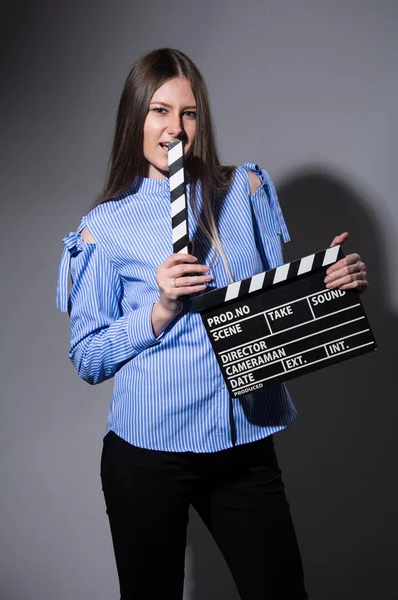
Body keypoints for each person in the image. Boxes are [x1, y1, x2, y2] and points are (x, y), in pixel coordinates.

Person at [57, 48, 367, 599]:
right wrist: (159, 309)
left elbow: (272, 300)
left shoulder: (240, 190)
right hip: (149, 454)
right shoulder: (103, 229)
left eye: (189, 113)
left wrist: (328, 286)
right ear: (135, 117)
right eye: (159, 110)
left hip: (243, 441)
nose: (175, 128)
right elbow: (87, 357)